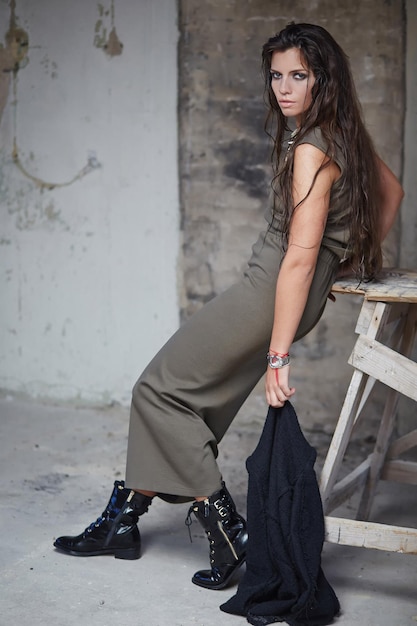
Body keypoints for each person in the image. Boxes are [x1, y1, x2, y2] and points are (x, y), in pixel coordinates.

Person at [54, 22, 404, 590]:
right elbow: (392, 194)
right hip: (287, 290)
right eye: (276, 75)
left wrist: (278, 356)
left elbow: (296, 257)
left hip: (270, 289)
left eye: (298, 76)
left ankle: (228, 531)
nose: (283, 88)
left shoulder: (312, 149)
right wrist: (344, 264)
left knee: (158, 391)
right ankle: (125, 518)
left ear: (323, 79)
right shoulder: (339, 131)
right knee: (196, 399)